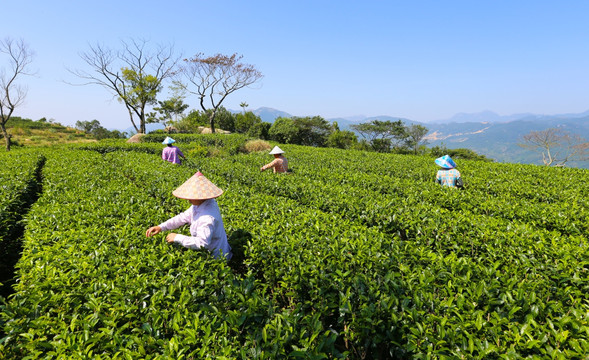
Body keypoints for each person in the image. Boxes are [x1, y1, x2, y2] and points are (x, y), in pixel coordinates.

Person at [145, 171, 232, 260]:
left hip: (216, 258)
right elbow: (183, 217)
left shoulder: (207, 218)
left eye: (191, 196)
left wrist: (177, 237)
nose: (188, 199)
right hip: (209, 252)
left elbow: (202, 243)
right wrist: (161, 227)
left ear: (200, 197)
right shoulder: (201, 204)